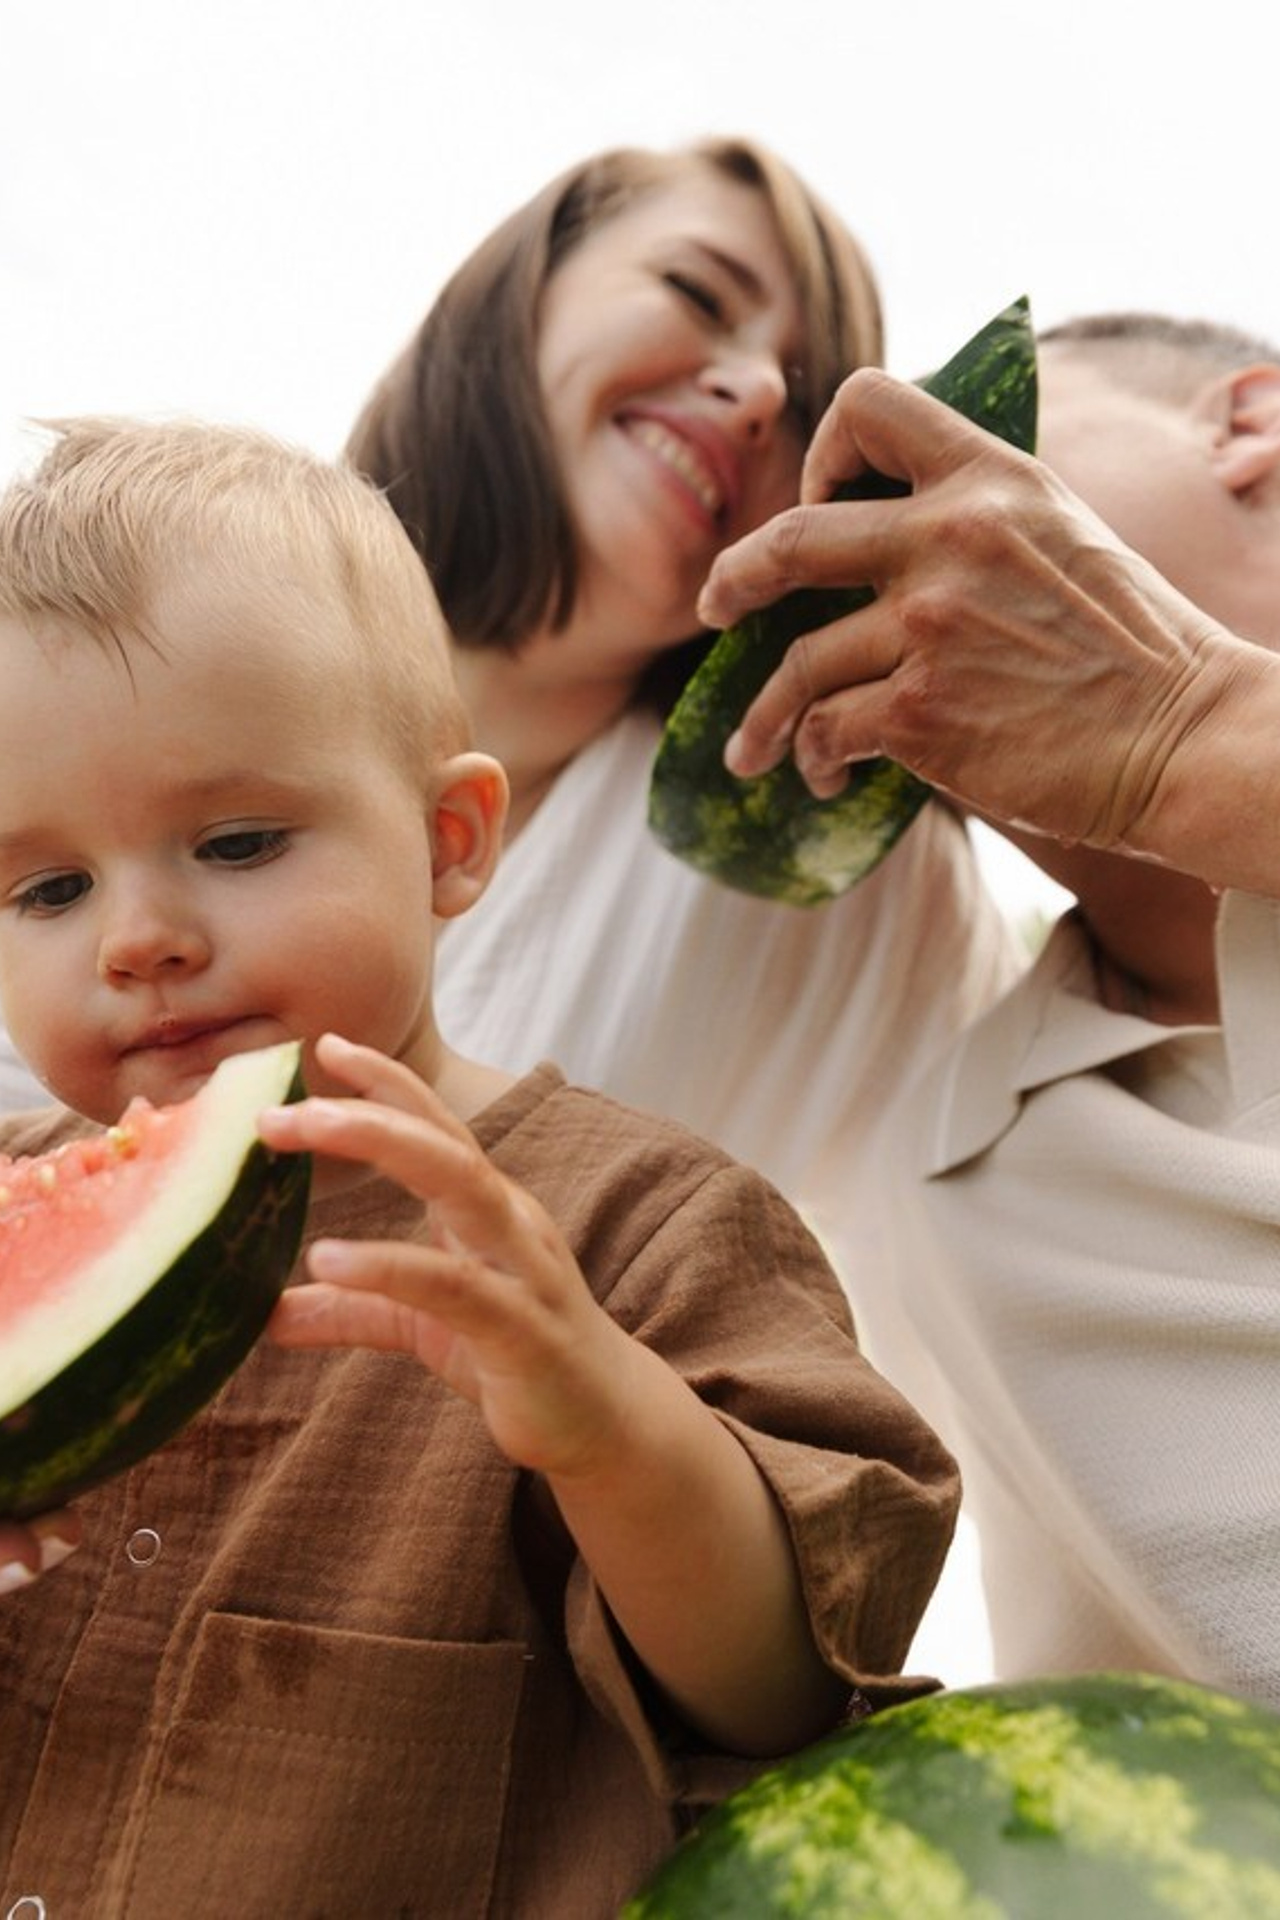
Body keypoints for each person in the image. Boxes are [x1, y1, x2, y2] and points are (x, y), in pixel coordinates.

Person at [0, 416, 962, 1917]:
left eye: (237, 843)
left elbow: (785, 1684)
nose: (137, 941)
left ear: (449, 841)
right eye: (48, 887)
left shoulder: (644, 1226)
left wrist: (604, 1422)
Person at [701, 310, 1280, 1709]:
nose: (887, 559)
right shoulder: (941, 1179)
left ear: (1253, 426)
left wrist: (1188, 730)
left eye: (982, 438)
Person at [342, 136, 1023, 1311]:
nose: (757, 391)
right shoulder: (160, 636)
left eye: (804, 403)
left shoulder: (819, 875)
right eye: (697, 294)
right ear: (521, 290)